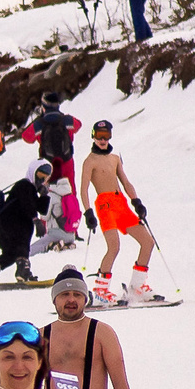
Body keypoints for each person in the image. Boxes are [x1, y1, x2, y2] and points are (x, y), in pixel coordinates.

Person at [78, 119, 156, 302]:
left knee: (147, 242)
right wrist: (88, 212)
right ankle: (100, 290)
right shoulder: (90, 161)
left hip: (121, 203)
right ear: (93, 136)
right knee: (114, 247)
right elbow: (83, 189)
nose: (103, 140)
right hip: (105, 205)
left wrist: (136, 202)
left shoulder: (114, 158)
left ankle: (137, 286)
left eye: (106, 136)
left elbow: (126, 182)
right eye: (99, 136)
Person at [0, 161, 55, 284]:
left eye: (45, 177)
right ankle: (23, 271)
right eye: (40, 175)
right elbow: (27, 204)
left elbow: (41, 209)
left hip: (5, 224)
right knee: (22, 247)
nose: (41, 180)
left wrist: (44, 195)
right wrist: (35, 220)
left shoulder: (31, 188)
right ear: (33, 172)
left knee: (11, 254)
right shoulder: (24, 185)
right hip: (13, 224)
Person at [21, 95, 83, 238]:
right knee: (69, 193)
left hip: (47, 165)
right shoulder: (67, 120)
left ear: (43, 107)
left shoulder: (40, 124)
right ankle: (73, 228)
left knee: (46, 194)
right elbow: (78, 125)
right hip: (67, 162)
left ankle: (46, 230)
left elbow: (26, 137)